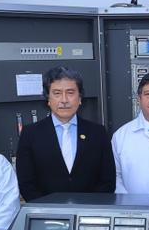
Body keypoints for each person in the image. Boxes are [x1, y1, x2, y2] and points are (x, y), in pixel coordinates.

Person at [15, 66, 115, 201]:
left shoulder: (98, 133)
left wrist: (90, 208)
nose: (64, 100)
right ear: (48, 99)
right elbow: (26, 183)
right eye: (57, 93)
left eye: (70, 93)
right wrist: (47, 209)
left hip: (90, 210)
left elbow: (108, 181)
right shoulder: (30, 134)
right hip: (46, 211)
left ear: (80, 98)